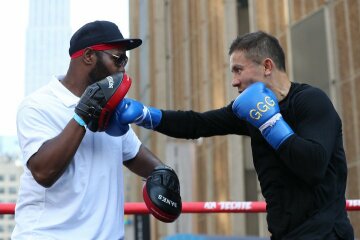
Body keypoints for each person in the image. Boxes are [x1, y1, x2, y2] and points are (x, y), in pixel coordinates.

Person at [112, 31, 354, 239]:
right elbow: (198, 123)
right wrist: (145, 115)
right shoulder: (247, 111)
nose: (234, 82)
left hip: (327, 234)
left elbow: (313, 166)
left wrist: (270, 122)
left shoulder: (311, 102)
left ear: (267, 66)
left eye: (238, 70)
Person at [13, 20, 181, 240]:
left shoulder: (111, 109)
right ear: (89, 56)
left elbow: (135, 155)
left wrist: (164, 173)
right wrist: (84, 113)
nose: (122, 67)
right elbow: (44, 172)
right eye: (117, 59)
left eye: (125, 60)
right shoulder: (37, 105)